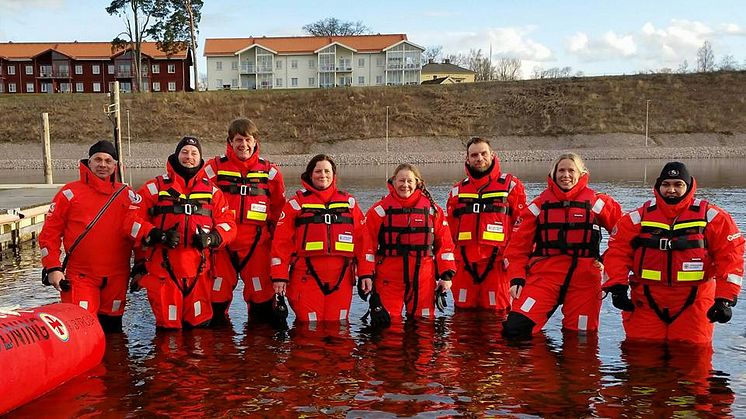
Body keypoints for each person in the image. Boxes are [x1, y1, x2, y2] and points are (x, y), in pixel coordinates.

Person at [602, 162, 744, 343]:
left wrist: (724, 299)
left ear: (689, 186)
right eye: (666, 184)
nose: (671, 190)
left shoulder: (712, 217)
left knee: (694, 359)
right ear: (658, 186)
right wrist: (617, 289)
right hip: (646, 300)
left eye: (678, 185)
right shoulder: (638, 218)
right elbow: (617, 252)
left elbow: (731, 256)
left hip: (695, 301)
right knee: (640, 356)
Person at [502, 152, 622, 338]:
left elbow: (624, 237)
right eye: (561, 170)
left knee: (581, 339)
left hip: (585, 280)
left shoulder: (598, 203)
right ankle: (537, 366)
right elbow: (517, 248)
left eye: (571, 170)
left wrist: (606, 260)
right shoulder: (539, 206)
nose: (566, 175)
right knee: (515, 329)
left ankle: (566, 367)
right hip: (545, 276)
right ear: (553, 174)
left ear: (581, 174)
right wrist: (517, 278)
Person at [39, 140, 142, 333]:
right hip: (81, 277)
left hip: (117, 277)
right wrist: (52, 267)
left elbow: (138, 233)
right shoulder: (70, 193)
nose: (103, 165)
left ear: (115, 165)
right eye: (98, 159)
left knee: (113, 332)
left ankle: (115, 363)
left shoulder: (127, 195)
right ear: (89, 162)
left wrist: (140, 265)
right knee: (82, 329)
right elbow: (49, 234)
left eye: (108, 160)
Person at [134, 136, 237, 329]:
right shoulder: (154, 187)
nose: (189, 157)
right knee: (168, 332)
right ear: (176, 154)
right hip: (164, 273)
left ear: (200, 159)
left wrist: (213, 237)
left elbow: (229, 225)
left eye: (194, 153)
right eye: (185, 152)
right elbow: (131, 221)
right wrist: (157, 234)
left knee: (199, 332)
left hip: (199, 273)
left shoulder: (212, 192)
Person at [271, 154, 375, 322]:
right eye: (318, 171)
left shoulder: (349, 203)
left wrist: (365, 274)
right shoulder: (295, 204)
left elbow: (364, 243)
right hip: (306, 278)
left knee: (339, 327)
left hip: (341, 279)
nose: (323, 175)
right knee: (308, 328)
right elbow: (281, 244)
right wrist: (279, 277)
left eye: (327, 171)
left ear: (334, 175)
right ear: (310, 175)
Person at [204, 118, 285, 324]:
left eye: (248, 139)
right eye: (238, 140)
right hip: (222, 247)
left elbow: (278, 211)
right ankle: (220, 353)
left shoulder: (271, 173)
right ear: (230, 142)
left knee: (262, 304)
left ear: (256, 141)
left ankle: (259, 352)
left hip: (256, 246)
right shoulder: (212, 169)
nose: (243, 145)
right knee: (216, 301)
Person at [446, 137, 526, 317]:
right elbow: (448, 232)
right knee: (462, 318)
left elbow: (522, 229)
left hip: (497, 265)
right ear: (467, 159)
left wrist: (515, 261)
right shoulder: (457, 191)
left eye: (483, 153)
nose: (479, 158)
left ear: (492, 155)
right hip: (464, 265)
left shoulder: (511, 186)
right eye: (474, 155)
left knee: (497, 317)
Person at [365, 164, 457, 319]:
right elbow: (366, 246)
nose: (405, 185)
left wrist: (446, 275)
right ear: (393, 182)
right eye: (401, 181)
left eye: (409, 181)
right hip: (389, 279)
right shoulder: (379, 211)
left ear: (417, 183)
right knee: (387, 326)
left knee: (424, 325)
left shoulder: (433, 211)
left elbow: (445, 245)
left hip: (423, 279)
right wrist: (365, 274)